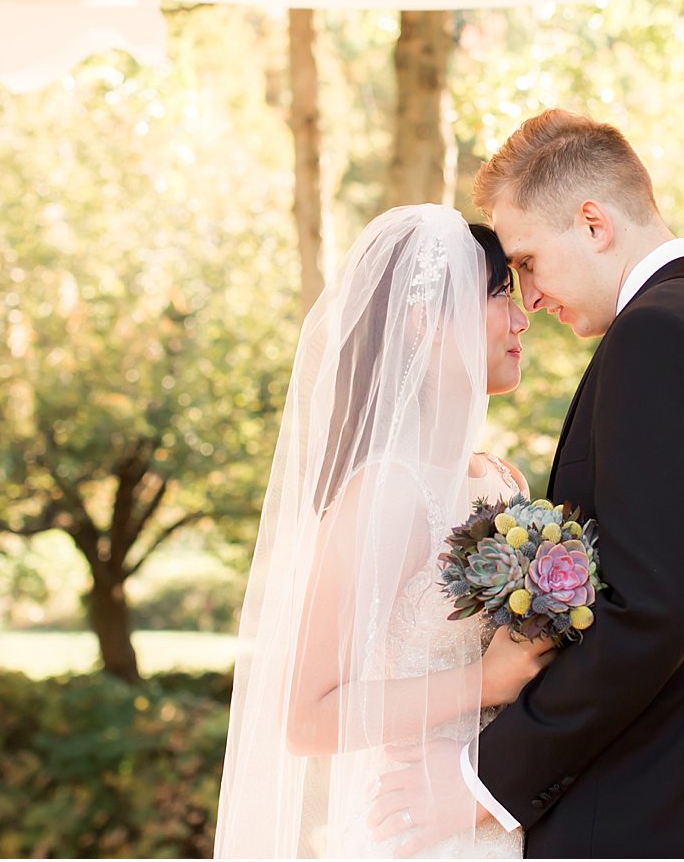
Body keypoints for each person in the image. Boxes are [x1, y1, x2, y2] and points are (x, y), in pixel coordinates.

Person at [370, 111, 684, 857]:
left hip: (650, 814)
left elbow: (652, 611)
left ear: (592, 223)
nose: (529, 298)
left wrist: (477, 778)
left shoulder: (662, 338)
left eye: (526, 261)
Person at [215, 204, 549, 858]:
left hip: (493, 817)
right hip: (412, 830)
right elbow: (306, 718)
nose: (523, 317)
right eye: (499, 296)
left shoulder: (502, 482)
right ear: (426, 320)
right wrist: (484, 683)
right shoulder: (388, 492)